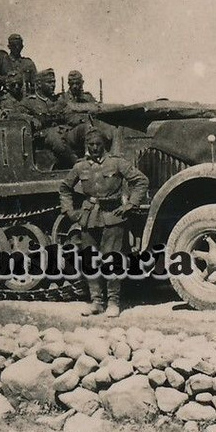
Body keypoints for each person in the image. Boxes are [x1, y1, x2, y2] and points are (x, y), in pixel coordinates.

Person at [58, 125, 149, 317]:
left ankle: (113, 303)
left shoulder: (116, 163)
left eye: (98, 144)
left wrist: (131, 204)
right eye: (90, 144)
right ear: (86, 145)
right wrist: (69, 211)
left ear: (104, 145)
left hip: (112, 216)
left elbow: (140, 181)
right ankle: (96, 301)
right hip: (89, 216)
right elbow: (64, 188)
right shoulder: (80, 166)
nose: (94, 148)